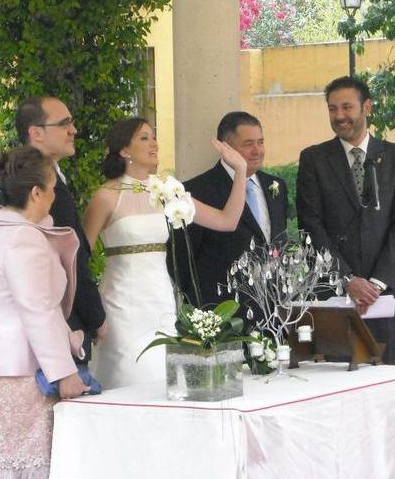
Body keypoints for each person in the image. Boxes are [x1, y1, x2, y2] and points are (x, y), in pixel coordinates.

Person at [81, 117, 248, 389]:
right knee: (130, 375)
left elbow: (226, 221)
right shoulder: (106, 195)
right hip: (121, 304)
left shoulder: (167, 190)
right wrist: (89, 312)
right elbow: (80, 256)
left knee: (162, 376)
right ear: (124, 150)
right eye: (144, 138)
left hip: (159, 301)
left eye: (154, 136)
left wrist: (240, 170)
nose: (154, 143)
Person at [0, 146, 88, 478]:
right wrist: (65, 373)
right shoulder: (23, 238)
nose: (54, 197)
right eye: (52, 189)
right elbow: (38, 310)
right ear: (36, 193)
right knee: (28, 465)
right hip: (19, 373)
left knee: (2, 463)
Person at [296, 76, 395, 364]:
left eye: (347, 107)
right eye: (332, 109)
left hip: (383, 297)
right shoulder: (314, 159)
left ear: (367, 108)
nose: (339, 116)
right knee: (336, 386)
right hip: (334, 295)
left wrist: (375, 284)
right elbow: (310, 227)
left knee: (384, 382)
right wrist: (347, 279)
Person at [14, 96, 107, 363]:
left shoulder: (40, 177)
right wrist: (96, 316)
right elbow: (70, 258)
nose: (73, 130)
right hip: (59, 328)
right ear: (36, 133)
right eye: (64, 123)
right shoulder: (37, 187)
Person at [178, 111, 289, 314]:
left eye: (261, 142)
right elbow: (182, 260)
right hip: (221, 308)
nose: (257, 150)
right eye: (248, 144)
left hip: (272, 308)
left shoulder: (276, 186)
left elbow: (278, 241)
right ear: (225, 148)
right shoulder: (197, 190)